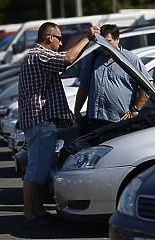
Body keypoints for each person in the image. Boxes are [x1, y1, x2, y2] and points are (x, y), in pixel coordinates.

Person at [18, 21, 100, 227]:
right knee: (36, 171)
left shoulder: (37, 56)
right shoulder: (40, 55)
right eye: (59, 38)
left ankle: (38, 211)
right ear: (48, 38)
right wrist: (87, 38)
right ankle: (30, 214)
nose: (61, 42)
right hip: (40, 123)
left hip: (42, 122)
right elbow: (68, 58)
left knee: (41, 169)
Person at [74, 24, 152, 134]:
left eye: (108, 41)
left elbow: (147, 86)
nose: (104, 45)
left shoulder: (130, 59)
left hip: (119, 122)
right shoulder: (93, 57)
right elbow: (84, 86)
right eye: (101, 42)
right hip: (94, 121)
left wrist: (135, 110)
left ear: (117, 40)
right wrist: (77, 111)